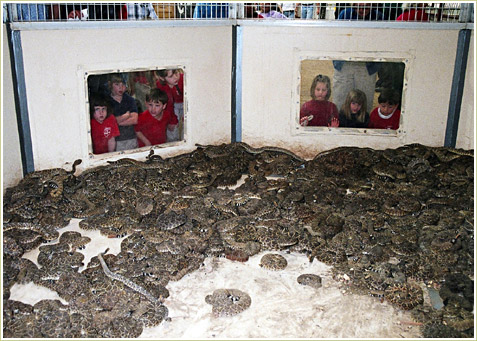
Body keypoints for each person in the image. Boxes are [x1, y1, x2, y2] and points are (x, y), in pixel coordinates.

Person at [108, 74, 139, 151]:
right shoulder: (107, 101)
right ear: (110, 85)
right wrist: (126, 116)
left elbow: (134, 119)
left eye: (123, 84)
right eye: (117, 84)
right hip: (115, 141)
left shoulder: (130, 100)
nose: (120, 87)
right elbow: (108, 123)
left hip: (131, 137)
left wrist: (117, 121)